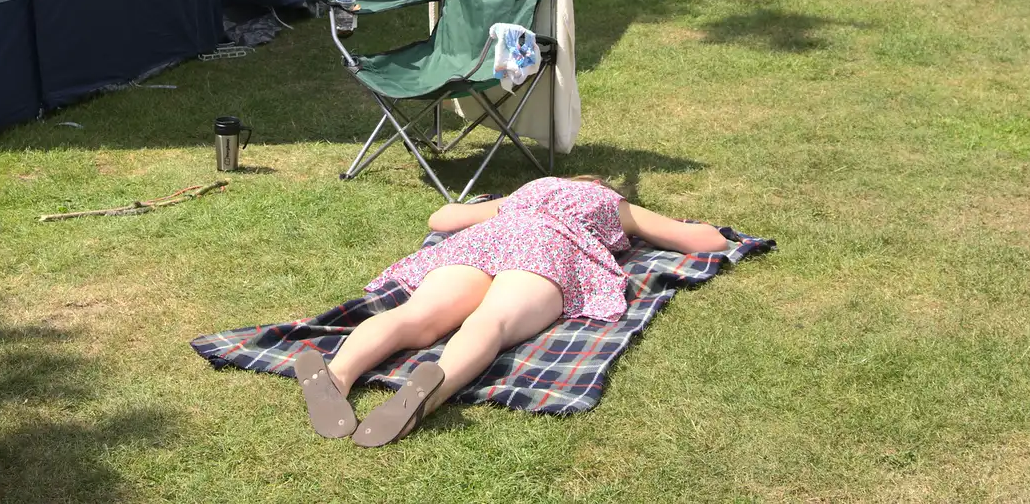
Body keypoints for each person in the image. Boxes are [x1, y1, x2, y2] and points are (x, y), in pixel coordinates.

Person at [293, 174, 740, 447]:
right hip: (548, 248)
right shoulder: (607, 203)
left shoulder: (525, 195)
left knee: (416, 316)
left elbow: (441, 219)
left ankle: (339, 373)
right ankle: (431, 391)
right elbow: (706, 242)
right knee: (492, 321)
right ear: (598, 187)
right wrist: (691, 227)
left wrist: (500, 205)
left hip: (488, 239)